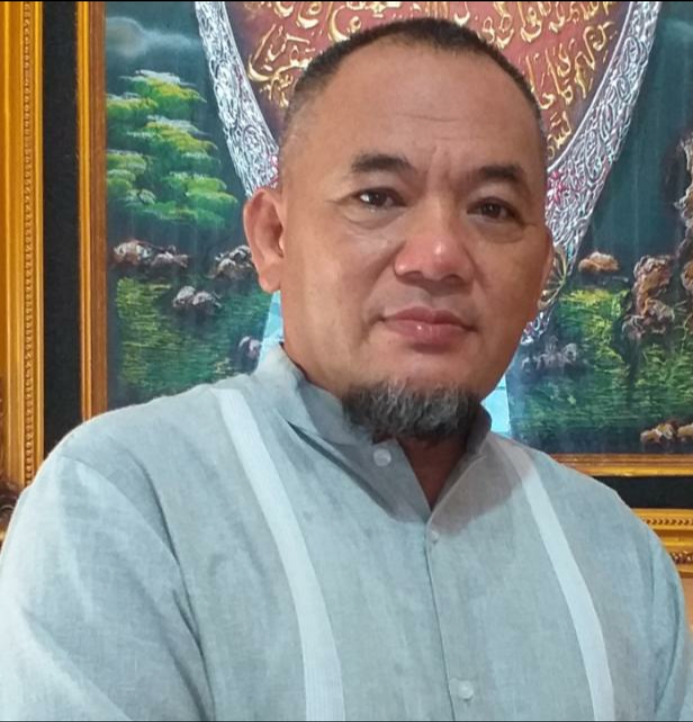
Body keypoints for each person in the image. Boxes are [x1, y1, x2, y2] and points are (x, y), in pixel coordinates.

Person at [0, 18, 691, 722]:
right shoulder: (126, 505)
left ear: (542, 270)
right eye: (377, 198)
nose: (438, 256)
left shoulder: (617, 558)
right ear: (273, 237)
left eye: (492, 208)